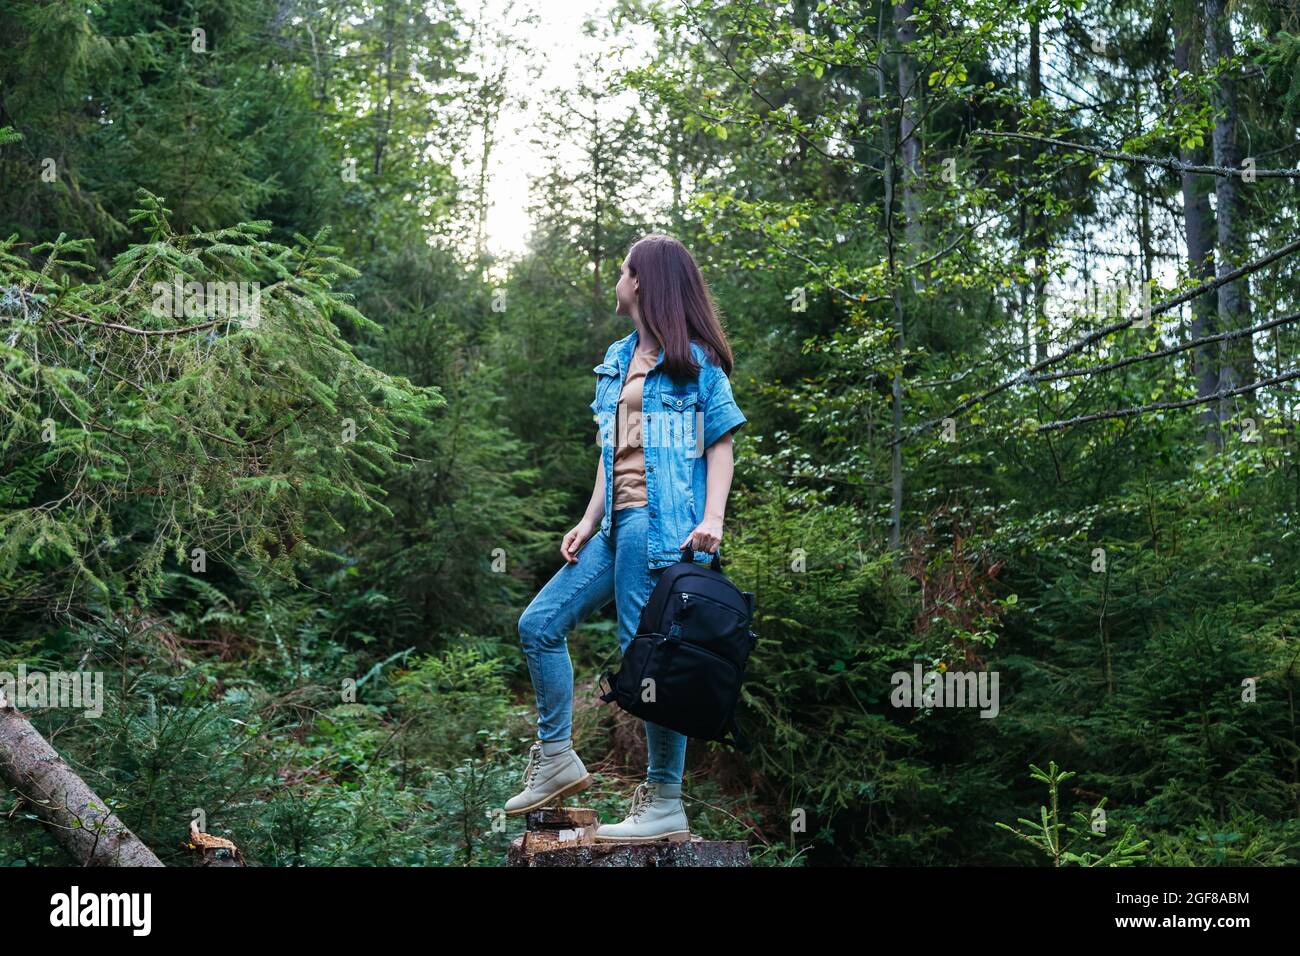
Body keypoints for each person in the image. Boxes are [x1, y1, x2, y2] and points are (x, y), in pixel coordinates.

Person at [504, 233, 747, 841]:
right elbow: (613, 451)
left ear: (642, 281)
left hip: (662, 527)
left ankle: (665, 798)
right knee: (539, 624)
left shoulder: (694, 360)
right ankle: (557, 755)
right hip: (616, 524)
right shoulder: (617, 358)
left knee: (653, 657)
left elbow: (719, 442)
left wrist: (713, 517)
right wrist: (588, 520)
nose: (617, 277)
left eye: (622, 270)